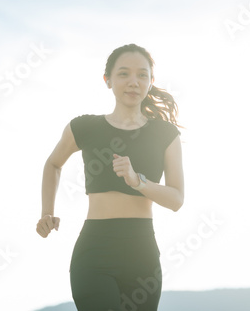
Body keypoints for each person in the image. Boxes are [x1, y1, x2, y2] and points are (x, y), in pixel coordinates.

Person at [36, 43, 184, 311]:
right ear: (108, 80)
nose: (133, 82)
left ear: (151, 82)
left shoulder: (166, 134)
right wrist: (47, 211)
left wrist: (138, 181)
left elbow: (176, 199)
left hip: (142, 255)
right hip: (95, 253)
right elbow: (53, 163)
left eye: (142, 75)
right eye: (124, 73)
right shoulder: (84, 127)